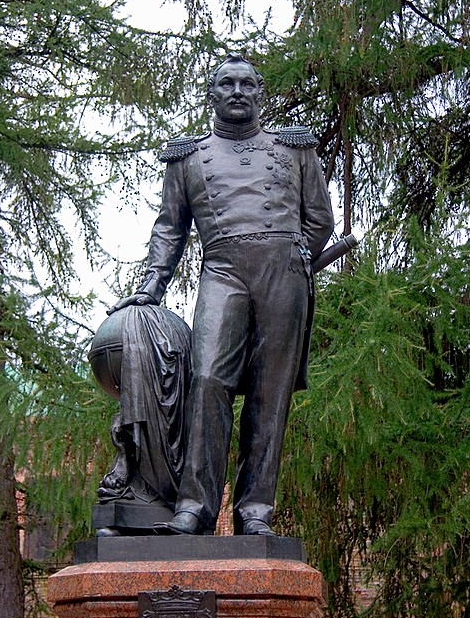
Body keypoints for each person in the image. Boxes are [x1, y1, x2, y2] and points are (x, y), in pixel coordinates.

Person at [109, 52, 334, 536]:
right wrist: (151, 286)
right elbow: (169, 230)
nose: (236, 92)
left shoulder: (295, 149)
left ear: (259, 94)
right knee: (208, 378)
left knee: (270, 395)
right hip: (223, 270)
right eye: (226, 84)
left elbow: (319, 218)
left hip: (284, 276)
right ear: (211, 95)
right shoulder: (188, 157)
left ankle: (256, 510)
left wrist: (296, 256)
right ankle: (195, 507)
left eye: (246, 85)